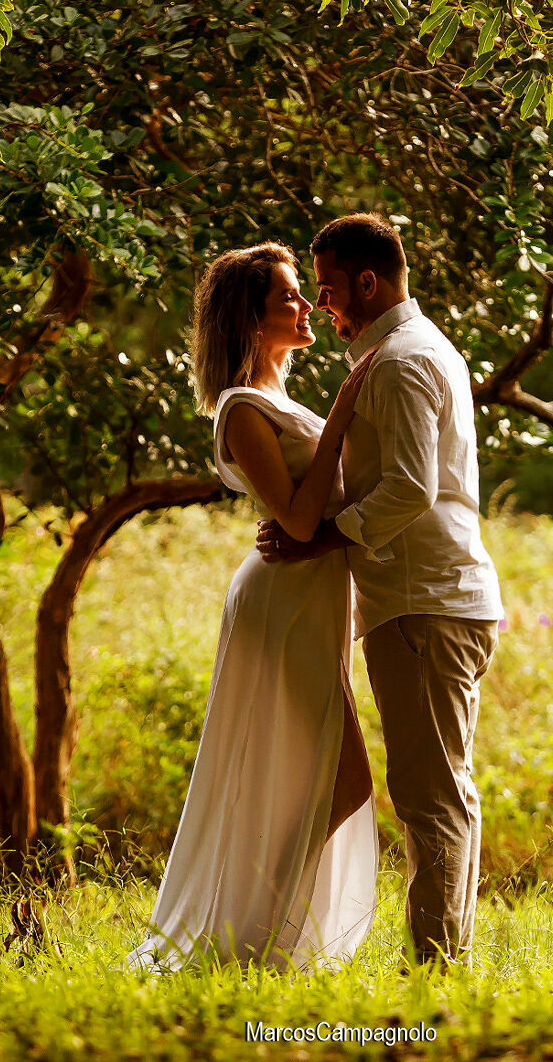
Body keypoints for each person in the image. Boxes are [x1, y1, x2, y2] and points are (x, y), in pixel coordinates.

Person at [259, 214, 504, 967]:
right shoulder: (411, 351)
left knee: (431, 796)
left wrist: (321, 535)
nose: (321, 307)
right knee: (444, 789)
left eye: (328, 290)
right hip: (431, 596)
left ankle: (435, 965)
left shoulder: (399, 361)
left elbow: (407, 490)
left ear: (368, 282)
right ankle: (445, 955)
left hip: (421, 601)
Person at [127, 241, 378, 972]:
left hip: (316, 596)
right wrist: (341, 411)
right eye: (288, 300)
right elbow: (298, 522)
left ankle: (257, 924)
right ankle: (252, 930)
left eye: (302, 295)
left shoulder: (282, 401)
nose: (306, 307)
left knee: (318, 771)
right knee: (346, 776)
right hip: (283, 601)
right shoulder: (242, 410)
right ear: (250, 322)